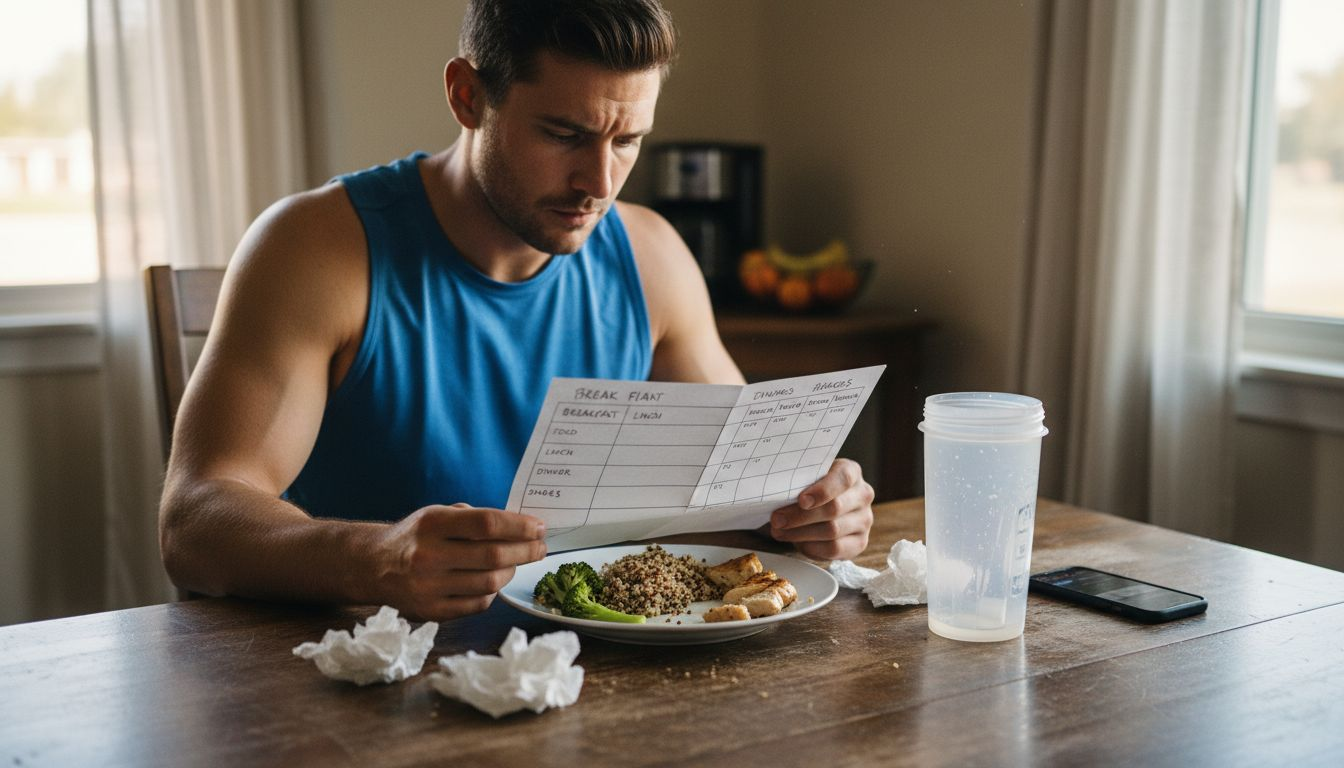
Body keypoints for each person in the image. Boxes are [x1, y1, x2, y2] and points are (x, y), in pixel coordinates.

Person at [159, 0, 875, 621]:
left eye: (627, 141)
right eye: (563, 134)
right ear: (468, 96)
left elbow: (749, 490)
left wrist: (812, 511)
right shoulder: (317, 250)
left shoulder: (651, 255)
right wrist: (375, 557)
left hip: (603, 681)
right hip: (368, 684)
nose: (599, 182)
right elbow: (194, 522)